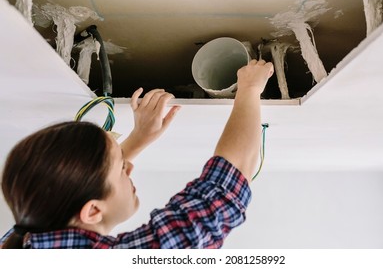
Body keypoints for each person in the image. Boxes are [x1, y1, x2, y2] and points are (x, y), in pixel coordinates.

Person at [0, 59, 274, 249]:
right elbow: (220, 195)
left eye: (122, 163)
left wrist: (136, 140)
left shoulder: (23, 238)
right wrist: (250, 88)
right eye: (120, 168)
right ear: (93, 210)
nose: (129, 167)